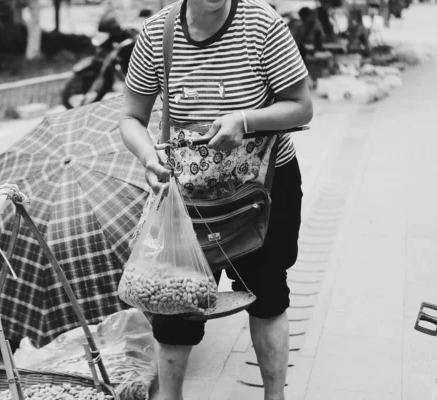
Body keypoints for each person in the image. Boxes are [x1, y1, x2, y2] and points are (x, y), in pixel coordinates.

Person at [119, 0, 313, 398]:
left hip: (266, 189)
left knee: (269, 296)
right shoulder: (158, 32)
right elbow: (131, 117)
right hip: (186, 197)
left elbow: (301, 106)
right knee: (173, 307)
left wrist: (244, 120)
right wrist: (147, 156)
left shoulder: (262, 23)